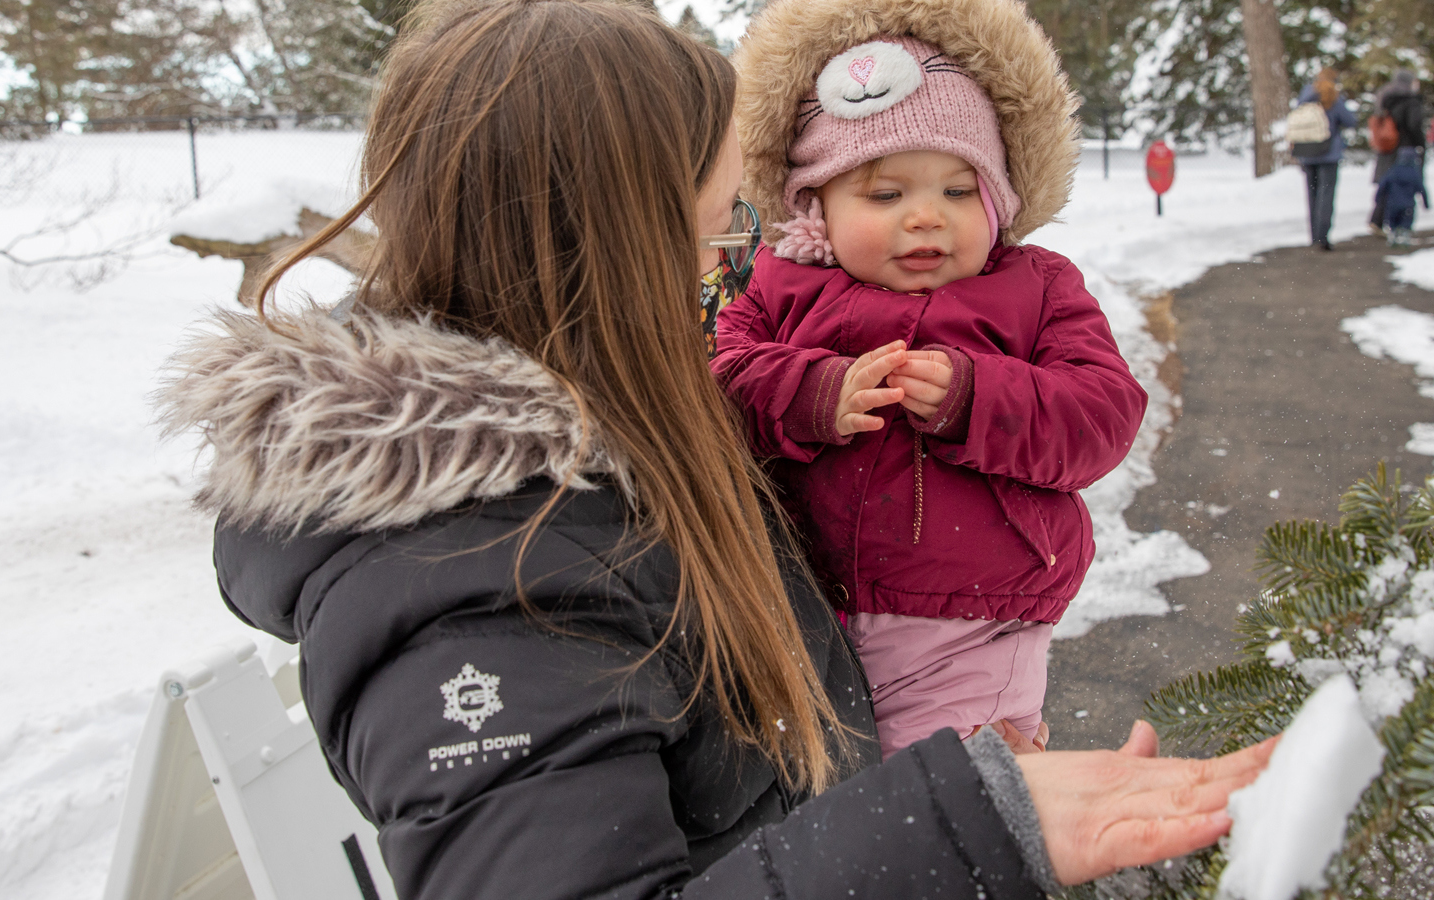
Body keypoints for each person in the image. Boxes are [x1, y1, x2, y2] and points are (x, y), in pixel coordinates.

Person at [156, 1, 1274, 898]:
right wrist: (958, 824)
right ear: (608, 237)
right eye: (710, 240)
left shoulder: (604, 452)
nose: (727, 281)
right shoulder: (481, 584)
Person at [713, 0, 1146, 760]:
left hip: (971, 620)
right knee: (819, 801)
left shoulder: (1038, 288)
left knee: (940, 800)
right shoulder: (780, 287)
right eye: (885, 195)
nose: (926, 218)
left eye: (958, 191)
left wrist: (978, 400)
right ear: (813, 205)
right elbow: (720, 382)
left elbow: (1102, 414)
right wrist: (815, 395)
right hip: (800, 608)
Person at [1296, 68, 1357, 251]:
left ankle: (1314, 236)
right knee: (1326, 195)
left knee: (1312, 195)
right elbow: (1350, 121)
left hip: (1307, 151)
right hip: (1328, 153)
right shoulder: (1334, 97)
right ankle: (1322, 237)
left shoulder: (1305, 96)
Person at [1367, 69, 1426, 237]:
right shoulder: (1410, 100)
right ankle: (1399, 225)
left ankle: (1377, 219)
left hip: (1386, 146)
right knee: (1403, 187)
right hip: (1404, 148)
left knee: (1386, 184)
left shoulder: (1384, 97)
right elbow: (1414, 125)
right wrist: (1420, 144)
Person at [1376, 147, 1429, 247]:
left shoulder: (1393, 170)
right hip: (1408, 204)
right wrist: (1426, 202)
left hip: (1392, 203)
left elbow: (1383, 185)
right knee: (1406, 222)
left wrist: (1378, 198)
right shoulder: (1414, 173)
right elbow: (1421, 188)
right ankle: (1405, 238)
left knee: (1393, 221)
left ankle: (1393, 237)